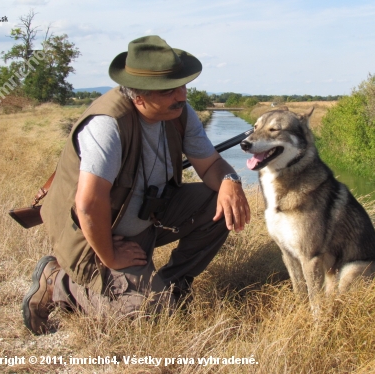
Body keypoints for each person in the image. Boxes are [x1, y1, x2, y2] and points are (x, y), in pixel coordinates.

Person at [22, 35, 251, 335]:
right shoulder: (107, 125)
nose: (181, 95)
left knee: (217, 203)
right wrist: (110, 256)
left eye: (182, 85)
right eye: (169, 90)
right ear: (139, 97)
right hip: (97, 237)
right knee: (143, 318)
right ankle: (58, 282)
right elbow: (89, 205)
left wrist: (230, 180)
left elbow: (209, 166)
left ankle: (171, 287)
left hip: (146, 221)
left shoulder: (179, 112)